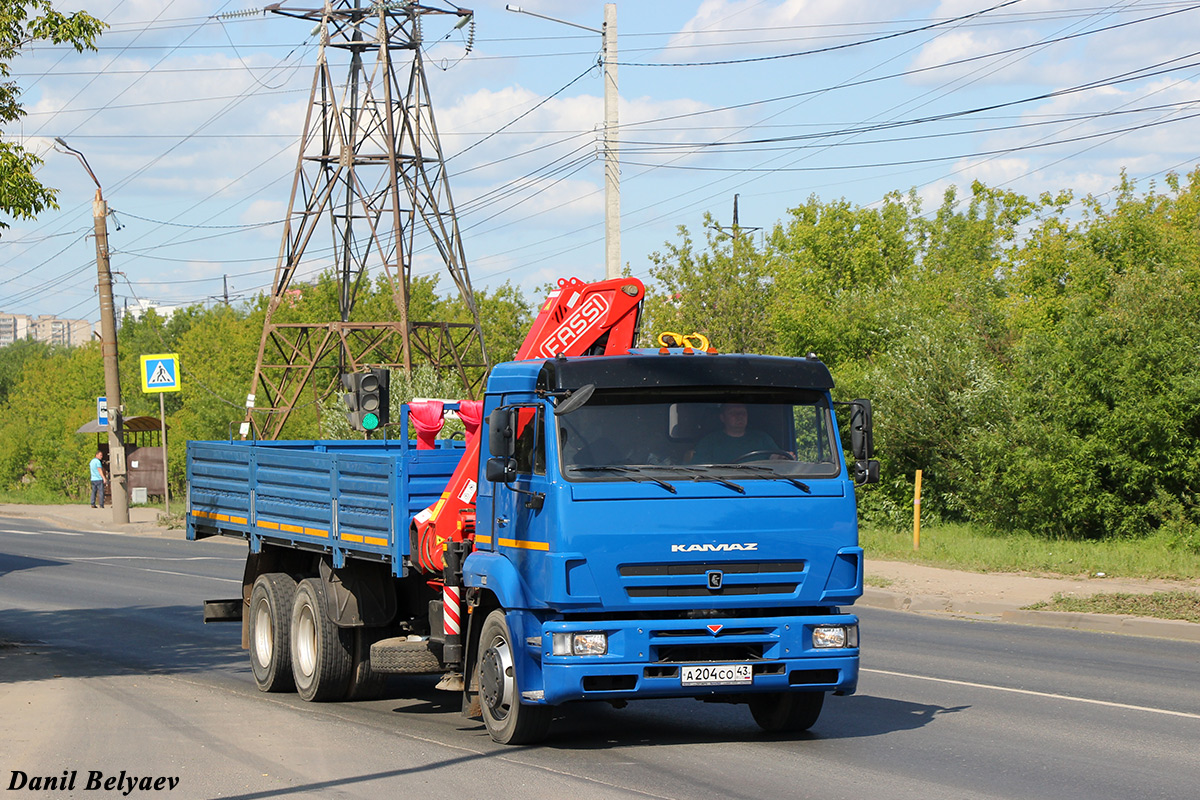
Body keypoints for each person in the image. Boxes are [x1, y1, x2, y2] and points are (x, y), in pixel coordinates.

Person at [691, 403, 780, 464]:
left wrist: (779, 459)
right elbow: (697, 471)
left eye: (742, 412)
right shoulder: (708, 442)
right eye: (733, 413)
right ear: (722, 418)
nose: (740, 416)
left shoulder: (762, 438)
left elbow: (777, 461)